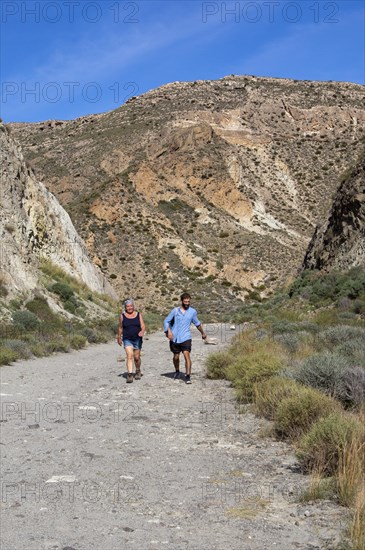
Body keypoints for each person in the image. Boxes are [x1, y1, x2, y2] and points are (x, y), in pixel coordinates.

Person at [163, 292, 206, 384]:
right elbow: (166, 321)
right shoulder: (175, 311)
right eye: (185, 301)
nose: (187, 303)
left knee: (187, 355)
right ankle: (177, 371)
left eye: (188, 302)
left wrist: (203, 333)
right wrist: (168, 331)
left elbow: (197, 323)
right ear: (182, 301)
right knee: (176, 357)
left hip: (186, 337)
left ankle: (187, 376)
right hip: (174, 337)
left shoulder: (192, 312)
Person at [117, 298, 145, 383]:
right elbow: (120, 327)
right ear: (125, 307)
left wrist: (142, 331)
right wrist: (119, 337)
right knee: (129, 355)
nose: (129, 308)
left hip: (137, 338)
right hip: (127, 338)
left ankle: (138, 370)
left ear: (133, 306)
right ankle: (129, 375)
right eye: (127, 306)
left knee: (136, 357)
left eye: (131, 306)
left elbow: (143, 326)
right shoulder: (122, 316)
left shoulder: (138, 314)